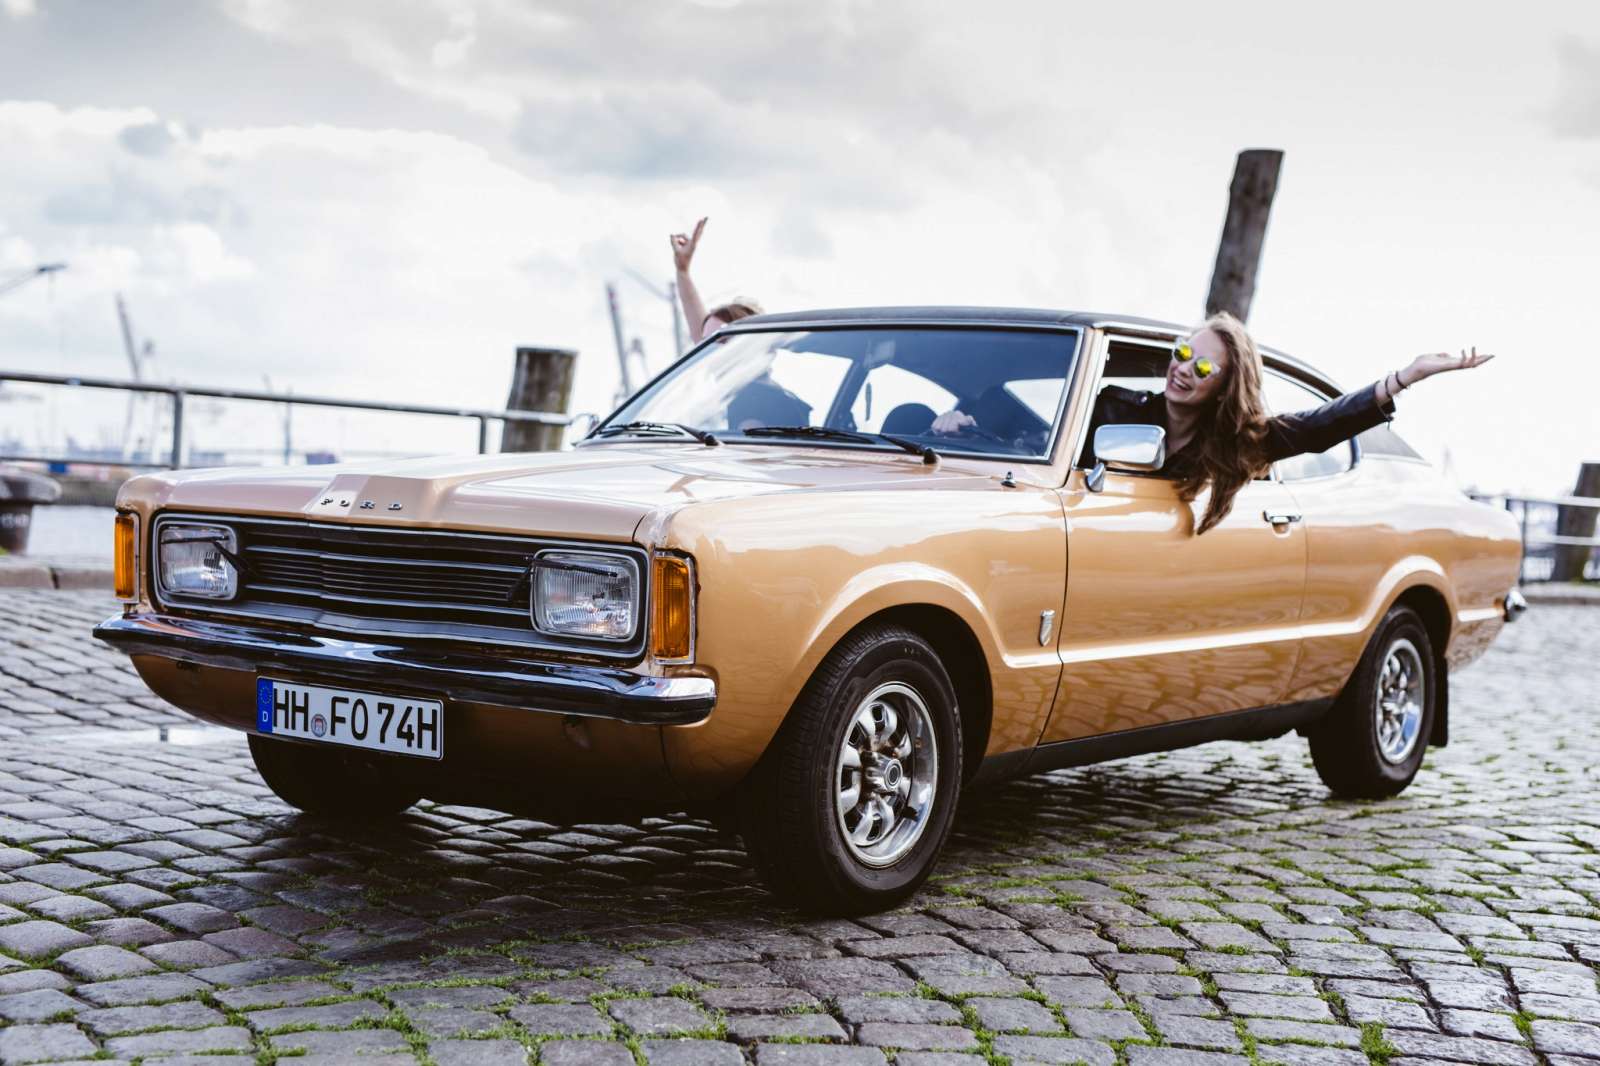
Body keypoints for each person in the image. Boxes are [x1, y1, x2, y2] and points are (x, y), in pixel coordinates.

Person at [932, 311, 1493, 534]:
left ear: (1225, 382)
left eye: (1202, 366)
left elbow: (1325, 423)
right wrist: (970, 420)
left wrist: (1408, 376)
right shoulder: (1114, 408)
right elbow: (1038, 438)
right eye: (1180, 354)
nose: (1182, 370)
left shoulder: (1243, 442)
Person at [671, 217, 763, 343]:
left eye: (723, 341)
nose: (709, 349)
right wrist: (682, 270)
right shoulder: (712, 358)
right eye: (706, 342)